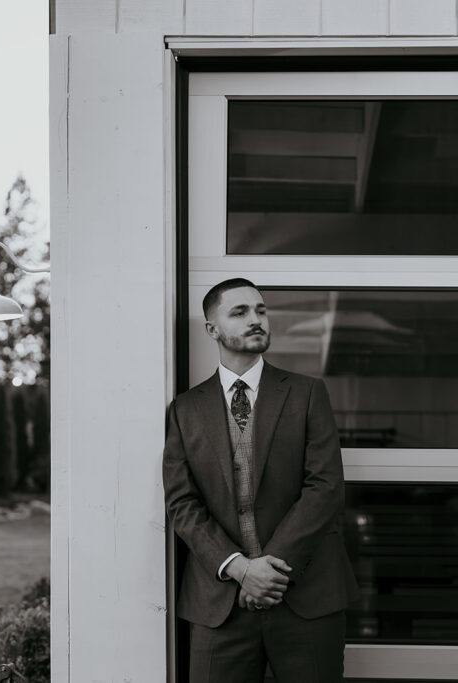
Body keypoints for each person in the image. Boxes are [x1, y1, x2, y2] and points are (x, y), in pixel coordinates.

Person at [163, 278, 359, 683]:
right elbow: (182, 504)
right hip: (220, 608)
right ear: (211, 329)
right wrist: (238, 568)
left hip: (306, 599)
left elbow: (324, 488)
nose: (256, 319)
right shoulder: (185, 409)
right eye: (240, 312)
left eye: (261, 310)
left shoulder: (307, 394)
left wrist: (267, 573)